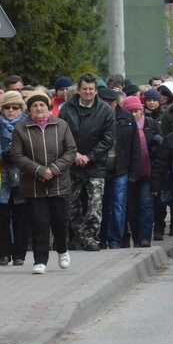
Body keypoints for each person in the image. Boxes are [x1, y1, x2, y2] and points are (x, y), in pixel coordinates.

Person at [11, 91, 77, 274]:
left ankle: (62, 249)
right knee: (40, 222)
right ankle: (40, 260)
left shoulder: (61, 125)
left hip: (59, 183)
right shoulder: (21, 129)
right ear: (29, 110)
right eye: (34, 106)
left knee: (60, 220)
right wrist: (39, 170)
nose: (39, 108)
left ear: (48, 107)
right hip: (34, 184)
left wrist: (54, 169)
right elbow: (17, 155)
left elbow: (71, 151)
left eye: (42, 105)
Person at [59, 73, 115, 252]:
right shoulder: (66, 109)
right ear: (78, 90)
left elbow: (107, 139)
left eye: (91, 89)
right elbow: (61, 135)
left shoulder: (105, 110)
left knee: (95, 205)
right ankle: (80, 236)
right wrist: (74, 154)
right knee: (72, 205)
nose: (88, 92)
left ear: (96, 90)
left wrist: (89, 156)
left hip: (96, 165)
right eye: (85, 89)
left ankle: (91, 238)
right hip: (71, 164)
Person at [0, 91, 28, 265]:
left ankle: (19, 255)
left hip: (22, 176)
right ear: (2, 109)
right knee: (1, 218)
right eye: (7, 107)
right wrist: (2, 155)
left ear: (21, 108)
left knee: (22, 218)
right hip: (0, 178)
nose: (11, 111)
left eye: (15, 107)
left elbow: (35, 150)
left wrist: (18, 156)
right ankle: (3, 254)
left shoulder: (27, 125)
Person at [97, 88, 141, 249]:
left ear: (116, 103)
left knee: (119, 206)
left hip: (120, 169)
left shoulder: (126, 118)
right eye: (105, 104)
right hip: (99, 168)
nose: (108, 107)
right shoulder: (94, 118)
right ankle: (100, 238)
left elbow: (135, 145)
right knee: (99, 206)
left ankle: (114, 239)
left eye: (111, 103)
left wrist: (135, 171)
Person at [123, 96, 162, 247]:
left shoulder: (151, 124)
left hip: (148, 173)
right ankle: (136, 237)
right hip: (130, 174)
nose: (134, 114)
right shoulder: (123, 126)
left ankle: (146, 238)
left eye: (137, 111)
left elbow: (160, 150)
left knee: (146, 204)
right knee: (132, 208)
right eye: (131, 111)